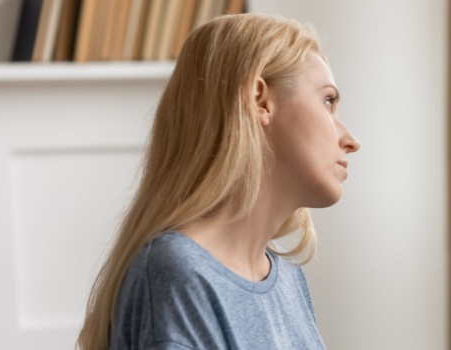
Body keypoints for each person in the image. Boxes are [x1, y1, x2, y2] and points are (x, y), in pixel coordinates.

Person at [77, 13, 360, 349]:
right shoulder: (179, 273)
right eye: (328, 101)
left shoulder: (286, 278)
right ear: (260, 101)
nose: (351, 140)